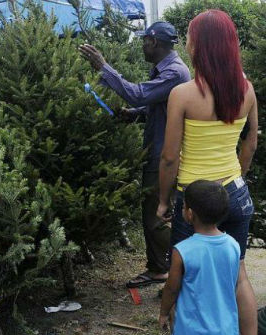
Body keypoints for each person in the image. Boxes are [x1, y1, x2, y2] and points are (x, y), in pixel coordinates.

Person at [154, 9, 263, 335]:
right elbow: (251, 142)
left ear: (199, 45)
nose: (185, 41)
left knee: (185, 277)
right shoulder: (245, 89)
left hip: (194, 200)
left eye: (189, 36)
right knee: (240, 275)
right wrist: (237, 180)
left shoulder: (183, 94)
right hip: (235, 192)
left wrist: (164, 201)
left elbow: (169, 157)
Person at [79, 22, 190, 288]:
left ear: (154, 42)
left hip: (164, 155)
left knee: (156, 218)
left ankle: (176, 271)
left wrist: (103, 67)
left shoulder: (174, 72)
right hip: (158, 150)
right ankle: (159, 268)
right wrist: (134, 115)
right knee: (151, 213)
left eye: (144, 41)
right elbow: (158, 106)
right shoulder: (165, 69)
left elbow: (138, 94)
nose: (141, 45)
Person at [159, 180, 243, 335]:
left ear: (189, 213)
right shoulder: (233, 245)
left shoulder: (183, 251)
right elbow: (232, 283)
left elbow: (171, 288)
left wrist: (163, 312)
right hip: (224, 333)